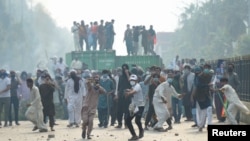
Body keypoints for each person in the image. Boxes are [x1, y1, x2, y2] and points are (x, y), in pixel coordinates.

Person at [81, 75, 106, 139]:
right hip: (86, 106)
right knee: (85, 121)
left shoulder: (99, 89)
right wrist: (92, 80)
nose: (96, 81)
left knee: (91, 121)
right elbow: (87, 82)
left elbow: (104, 92)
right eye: (95, 80)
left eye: (97, 80)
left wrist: (99, 87)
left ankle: (88, 134)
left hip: (93, 108)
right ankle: (83, 130)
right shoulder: (90, 87)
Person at [125, 74, 145, 140]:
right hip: (133, 106)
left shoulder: (137, 86)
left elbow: (133, 92)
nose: (132, 81)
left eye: (133, 80)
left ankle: (141, 130)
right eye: (131, 80)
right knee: (127, 120)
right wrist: (128, 91)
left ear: (136, 80)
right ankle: (134, 135)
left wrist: (128, 93)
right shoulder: (132, 87)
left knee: (137, 120)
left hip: (140, 105)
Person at [115, 64, 131, 129]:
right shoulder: (121, 76)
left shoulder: (131, 75)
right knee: (119, 110)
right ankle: (119, 123)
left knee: (127, 110)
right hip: (121, 94)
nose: (124, 70)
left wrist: (127, 74)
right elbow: (119, 87)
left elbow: (130, 83)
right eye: (123, 68)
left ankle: (126, 124)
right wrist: (117, 95)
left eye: (125, 68)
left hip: (127, 94)